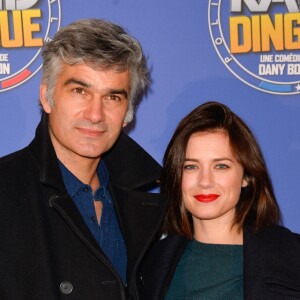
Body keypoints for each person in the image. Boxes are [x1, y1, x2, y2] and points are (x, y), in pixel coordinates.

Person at [0, 19, 166, 299]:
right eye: (80, 91)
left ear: (128, 113)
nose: (95, 114)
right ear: (47, 97)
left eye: (112, 97)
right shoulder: (5, 191)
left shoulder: (148, 206)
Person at [137, 101, 300, 299]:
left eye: (221, 166)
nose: (205, 181)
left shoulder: (290, 256)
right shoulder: (150, 262)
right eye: (191, 167)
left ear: (246, 177)